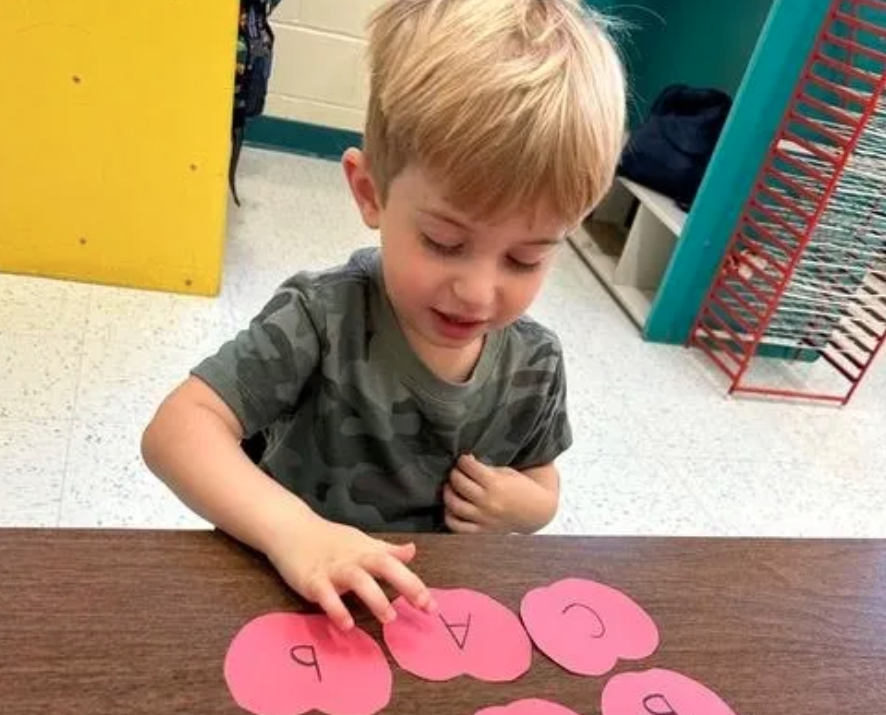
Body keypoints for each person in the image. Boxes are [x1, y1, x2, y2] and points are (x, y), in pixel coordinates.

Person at [142, 0, 625, 632]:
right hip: (291, 603)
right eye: (445, 243)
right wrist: (298, 533)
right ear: (370, 193)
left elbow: (542, 479)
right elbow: (177, 431)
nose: (479, 293)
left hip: (425, 619)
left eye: (525, 258)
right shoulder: (322, 317)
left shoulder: (536, 362)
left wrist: (525, 509)